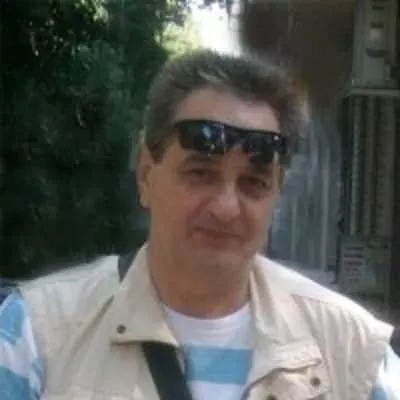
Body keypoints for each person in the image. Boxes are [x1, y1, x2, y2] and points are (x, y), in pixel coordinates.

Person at [4, 50, 399, 399]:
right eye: (200, 174)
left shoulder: (354, 354)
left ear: (277, 193)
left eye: (254, 183)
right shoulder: (36, 337)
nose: (226, 208)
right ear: (146, 175)